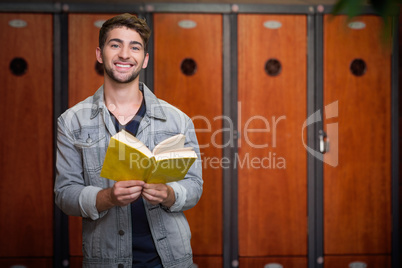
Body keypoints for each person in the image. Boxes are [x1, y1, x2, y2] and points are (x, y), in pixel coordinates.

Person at [54, 13, 203, 268]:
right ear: (100, 54)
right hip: (106, 261)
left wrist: (168, 193)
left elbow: (194, 185)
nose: (125, 54)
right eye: (115, 45)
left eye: (134, 47)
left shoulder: (178, 120)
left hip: (171, 260)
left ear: (144, 60)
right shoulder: (71, 122)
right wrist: (107, 197)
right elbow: (65, 194)